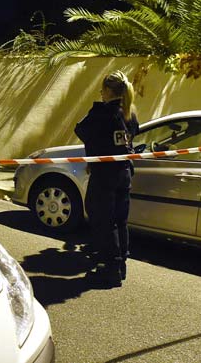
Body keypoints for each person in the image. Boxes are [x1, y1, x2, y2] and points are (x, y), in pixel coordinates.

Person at [75, 70, 139, 287]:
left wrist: (96, 108)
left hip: (105, 175)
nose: (100, 93)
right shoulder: (129, 112)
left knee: (104, 220)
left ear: (108, 90)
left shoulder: (102, 112)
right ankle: (121, 266)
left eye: (102, 89)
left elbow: (81, 129)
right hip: (124, 173)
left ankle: (109, 269)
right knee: (120, 220)